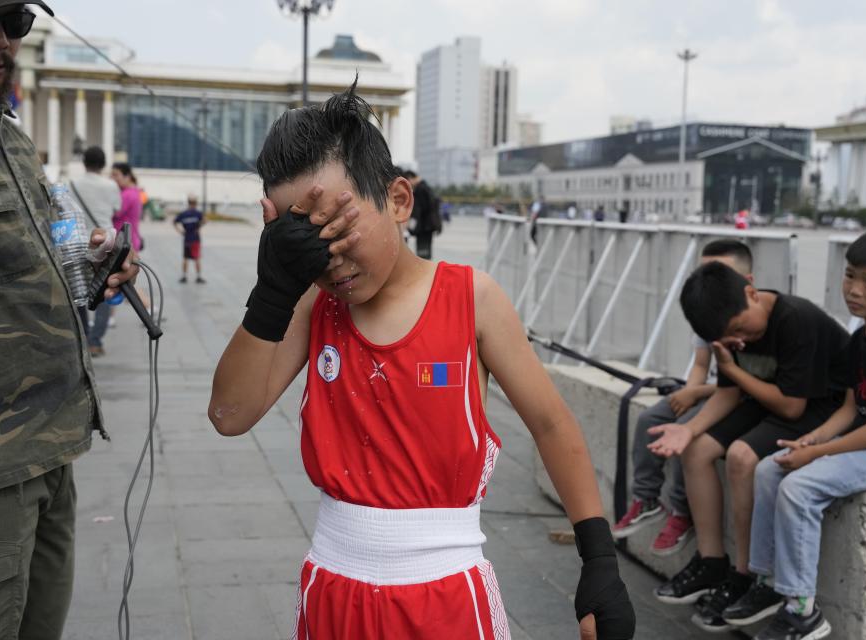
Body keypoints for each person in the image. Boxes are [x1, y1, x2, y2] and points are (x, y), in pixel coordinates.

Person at [209, 86, 635, 640]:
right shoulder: (312, 305)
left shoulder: (471, 298)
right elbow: (229, 414)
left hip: (446, 596)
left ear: (399, 201)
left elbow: (552, 424)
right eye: (303, 243)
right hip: (334, 591)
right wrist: (273, 289)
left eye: (339, 230)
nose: (327, 258)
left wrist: (598, 559)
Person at [0, 1, 138, 637]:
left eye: (14, 24)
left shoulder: (6, 134)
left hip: (49, 454)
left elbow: (41, 245)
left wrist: (88, 266)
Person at [647, 262, 849, 632]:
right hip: (768, 399)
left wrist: (735, 369)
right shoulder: (726, 330)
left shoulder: (794, 319)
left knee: (741, 456)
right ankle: (712, 562)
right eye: (728, 338)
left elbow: (792, 406)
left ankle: (748, 575)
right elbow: (727, 394)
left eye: (740, 330)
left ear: (752, 294)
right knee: (696, 451)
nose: (739, 341)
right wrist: (688, 430)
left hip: (821, 404)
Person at [720, 228, 866, 640]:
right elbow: (852, 408)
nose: (854, 289)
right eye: (850, 275)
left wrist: (818, 456)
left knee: (800, 487)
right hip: (865, 437)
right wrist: (812, 440)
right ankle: (766, 581)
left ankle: (803, 611)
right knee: (769, 469)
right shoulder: (860, 337)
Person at [613, 240, 755, 557]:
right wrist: (689, 391)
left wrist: (697, 393)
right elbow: (701, 365)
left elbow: (742, 386)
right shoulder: (709, 314)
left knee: (687, 431)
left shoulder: (749, 318)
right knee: (651, 419)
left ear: (747, 282)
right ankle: (646, 498)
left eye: (719, 273)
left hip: (736, 397)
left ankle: (682, 511)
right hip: (715, 389)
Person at [71, 145, 121, 357]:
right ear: (102, 164)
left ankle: (83, 336)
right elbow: (117, 208)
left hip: (80, 242)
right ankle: (95, 341)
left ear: (84, 163)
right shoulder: (110, 185)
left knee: (79, 292)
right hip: (105, 243)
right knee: (103, 292)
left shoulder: (72, 184)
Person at [403, 168, 441, 259]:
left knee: (423, 254)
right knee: (426, 253)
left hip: (424, 228)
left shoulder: (420, 190)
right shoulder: (426, 188)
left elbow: (418, 211)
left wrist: (411, 227)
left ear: (411, 178)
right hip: (429, 227)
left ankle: (425, 272)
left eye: (408, 181)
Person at [174, 195, 206, 283]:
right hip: (195, 239)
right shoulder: (197, 213)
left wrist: (180, 231)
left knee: (185, 258)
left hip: (187, 238)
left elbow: (174, 222)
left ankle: (184, 276)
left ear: (188, 203)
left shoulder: (183, 214)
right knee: (196, 258)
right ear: (195, 203)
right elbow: (205, 220)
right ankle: (198, 277)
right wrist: (198, 227)